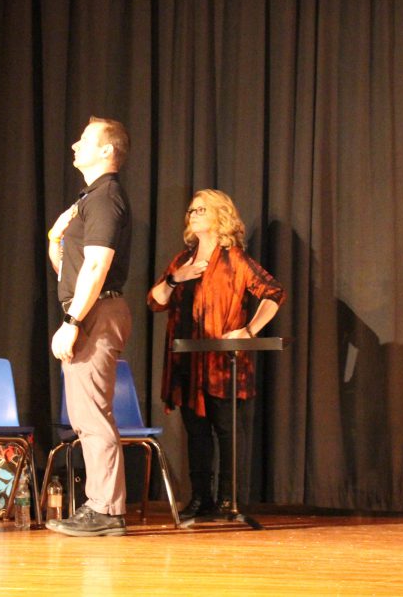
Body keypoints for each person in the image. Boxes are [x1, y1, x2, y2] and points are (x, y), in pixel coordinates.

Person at [147, 189, 285, 520]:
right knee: (196, 434)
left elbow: (273, 292)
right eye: (191, 210)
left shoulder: (234, 259)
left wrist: (249, 330)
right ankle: (201, 499)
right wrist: (173, 279)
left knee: (228, 433)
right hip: (188, 363)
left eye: (201, 209)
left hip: (224, 365)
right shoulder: (182, 261)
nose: (193, 214)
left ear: (219, 216)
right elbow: (155, 301)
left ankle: (229, 500)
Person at [45, 116, 133, 537]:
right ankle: (101, 507)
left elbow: (98, 266)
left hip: (96, 313)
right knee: (85, 414)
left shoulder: (104, 197)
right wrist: (54, 240)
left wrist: (72, 321)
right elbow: (73, 268)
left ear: (106, 151)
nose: (74, 146)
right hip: (91, 308)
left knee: (92, 415)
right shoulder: (91, 198)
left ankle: (106, 510)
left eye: (84, 141)